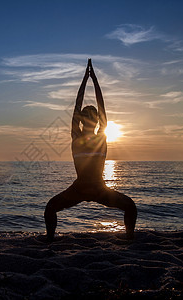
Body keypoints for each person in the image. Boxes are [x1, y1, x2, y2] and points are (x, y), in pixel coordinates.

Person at [44, 59, 137, 242]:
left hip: (98, 189)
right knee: (50, 208)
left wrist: (93, 80)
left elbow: (101, 107)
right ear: (82, 120)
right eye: (86, 116)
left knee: (131, 207)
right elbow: (77, 107)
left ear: (95, 121)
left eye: (92, 117)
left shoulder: (101, 137)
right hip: (80, 189)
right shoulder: (77, 137)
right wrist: (85, 80)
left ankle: (130, 239)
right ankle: (49, 241)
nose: (90, 119)